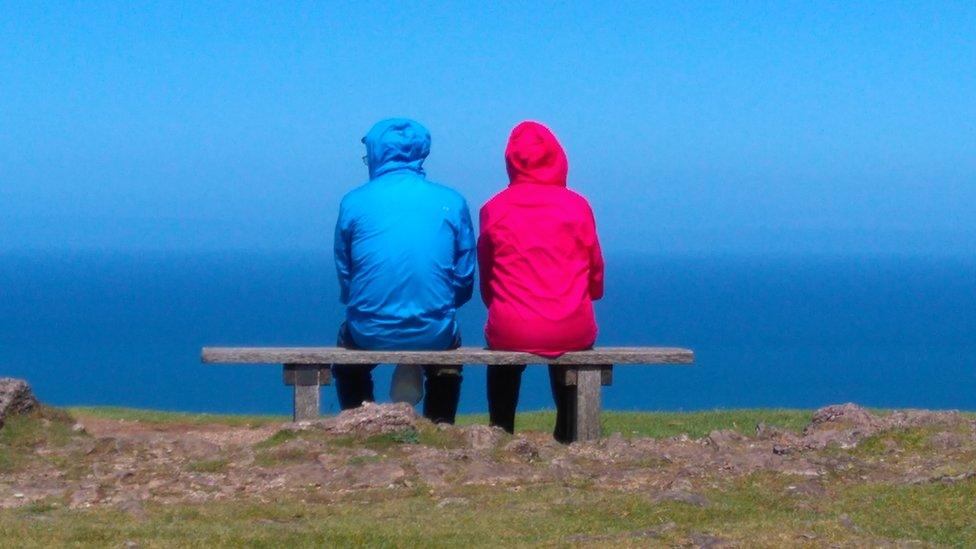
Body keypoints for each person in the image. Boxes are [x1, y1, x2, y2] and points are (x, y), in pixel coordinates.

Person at [332, 118, 475, 424]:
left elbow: (347, 275)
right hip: (433, 330)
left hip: (369, 328)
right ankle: (440, 427)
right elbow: (464, 279)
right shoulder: (452, 201)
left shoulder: (353, 203)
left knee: (346, 361)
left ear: (376, 154)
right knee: (447, 359)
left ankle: (359, 423)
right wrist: (441, 305)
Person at [478, 120, 605, 442]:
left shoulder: (494, 209)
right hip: (572, 324)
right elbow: (595, 273)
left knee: (504, 356)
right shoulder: (578, 206)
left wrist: (502, 306)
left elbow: (487, 275)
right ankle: (567, 430)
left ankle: (501, 431)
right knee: (564, 340)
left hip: (510, 325)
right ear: (558, 158)